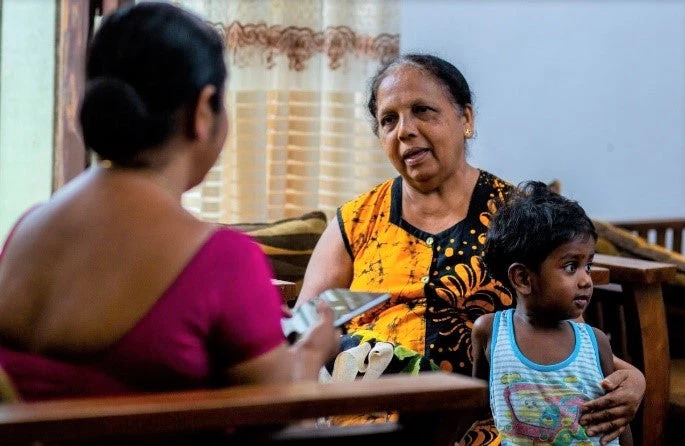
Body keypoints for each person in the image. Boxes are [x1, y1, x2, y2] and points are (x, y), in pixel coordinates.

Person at [296, 54, 644, 445]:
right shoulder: (355, 221)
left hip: (497, 420)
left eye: (423, 111)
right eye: (388, 120)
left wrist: (630, 376)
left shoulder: (516, 216)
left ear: (466, 119)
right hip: (369, 419)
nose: (405, 130)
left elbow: (564, 332)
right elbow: (301, 332)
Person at [0, 2, 339, 401]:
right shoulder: (221, 260)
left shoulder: (27, 230)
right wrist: (316, 349)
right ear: (202, 110)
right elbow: (279, 405)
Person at [472, 181, 632, 446]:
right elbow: (478, 404)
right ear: (523, 278)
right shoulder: (490, 332)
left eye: (588, 266)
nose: (586, 280)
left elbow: (617, 422)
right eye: (571, 266)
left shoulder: (595, 342)